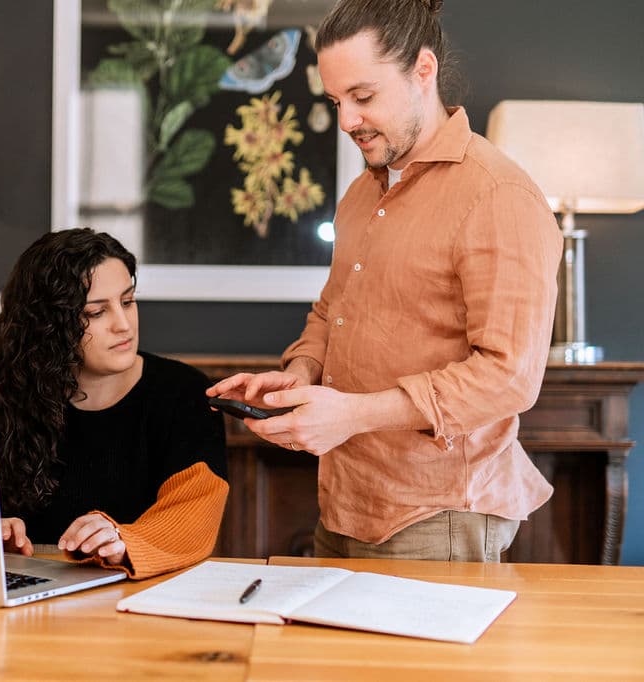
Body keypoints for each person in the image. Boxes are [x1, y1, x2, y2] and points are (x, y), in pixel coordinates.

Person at [208, 0, 562, 561]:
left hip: (437, 514)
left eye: (363, 97)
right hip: (345, 498)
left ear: (423, 71)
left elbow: (509, 377)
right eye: (336, 101)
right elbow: (332, 313)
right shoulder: (361, 194)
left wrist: (351, 415)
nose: (347, 121)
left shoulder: (499, 196)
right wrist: (298, 376)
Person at [0, 228, 228, 579]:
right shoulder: (8, 392)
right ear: (49, 323)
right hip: (27, 598)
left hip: (144, 597)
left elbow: (194, 514)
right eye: (96, 312)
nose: (123, 325)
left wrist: (123, 540)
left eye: (127, 301)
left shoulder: (183, 393)